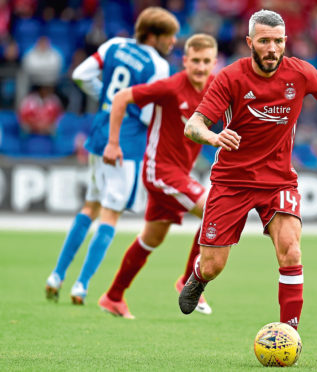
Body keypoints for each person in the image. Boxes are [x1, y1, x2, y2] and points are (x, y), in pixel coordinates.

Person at [179, 9, 317, 330]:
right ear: (250, 42)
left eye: (279, 41)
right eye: (265, 41)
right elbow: (193, 125)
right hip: (231, 182)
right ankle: (197, 277)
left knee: (291, 252)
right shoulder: (230, 77)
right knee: (213, 265)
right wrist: (213, 136)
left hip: (278, 181)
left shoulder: (299, 73)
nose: (272, 48)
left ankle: (288, 334)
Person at [45, 7, 179, 305]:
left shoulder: (114, 45)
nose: (173, 43)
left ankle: (56, 274)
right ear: (154, 36)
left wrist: (106, 98)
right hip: (125, 143)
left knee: (89, 206)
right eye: (169, 37)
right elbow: (145, 113)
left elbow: (80, 74)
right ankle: (81, 285)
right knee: (110, 213)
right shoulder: (157, 65)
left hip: (98, 132)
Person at [97, 33, 218, 319]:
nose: (200, 67)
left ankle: (113, 297)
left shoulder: (215, 88)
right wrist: (113, 143)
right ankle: (189, 281)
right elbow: (122, 97)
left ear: (214, 63)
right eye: (195, 61)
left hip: (177, 173)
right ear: (185, 61)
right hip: (159, 171)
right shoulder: (172, 87)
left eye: (206, 62)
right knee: (214, 207)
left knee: (150, 239)